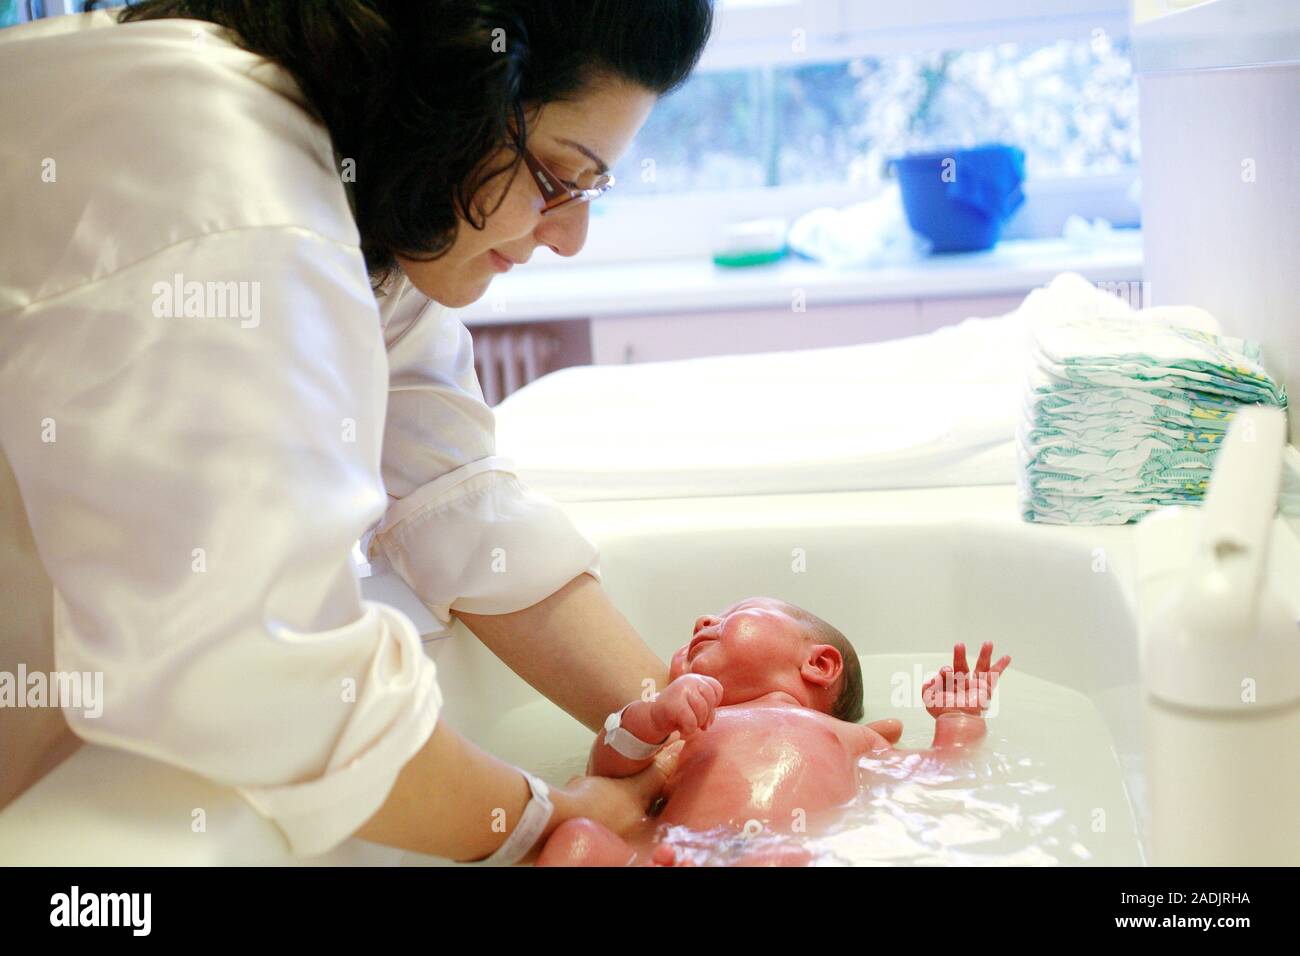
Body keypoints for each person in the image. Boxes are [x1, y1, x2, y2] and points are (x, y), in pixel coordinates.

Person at [0, 1, 713, 863]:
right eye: (559, 180)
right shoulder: (236, 191)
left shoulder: (371, 194)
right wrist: (554, 821)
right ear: (462, 91)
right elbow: (253, 679)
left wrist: (687, 733)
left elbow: (451, 496)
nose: (569, 237)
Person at [536, 597, 1011, 866]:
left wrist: (958, 719)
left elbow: (935, 778)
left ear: (819, 664)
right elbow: (609, 769)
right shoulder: (690, 725)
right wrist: (652, 717)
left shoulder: (851, 738)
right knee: (579, 839)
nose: (702, 620)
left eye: (733, 613)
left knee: (784, 858)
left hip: (763, 855)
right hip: (663, 853)